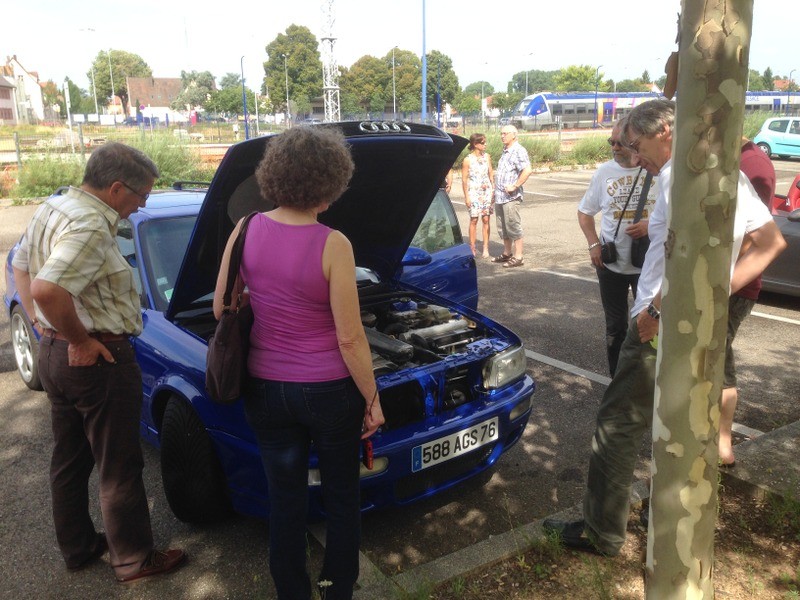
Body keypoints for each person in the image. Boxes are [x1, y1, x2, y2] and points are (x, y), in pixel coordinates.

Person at [543, 99, 786, 556]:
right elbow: (770, 243)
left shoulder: (678, 176)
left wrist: (658, 311)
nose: (636, 158)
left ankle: (602, 532)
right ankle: (670, 517)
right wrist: (710, 300)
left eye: (637, 146)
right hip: (690, 321)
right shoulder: (722, 171)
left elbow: (692, 258)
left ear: (666, 132)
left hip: (660, 321)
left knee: (617, 423)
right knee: (682, 424)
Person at [213, 126, 385, 600]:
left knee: (284, 501)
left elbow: (219, 309)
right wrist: (372, 398)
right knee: (341, 499)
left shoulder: (244, 229)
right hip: (329, 392)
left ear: (274, 175)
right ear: (330, 184)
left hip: (265, 389)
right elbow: (350, 338)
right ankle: (335, 591)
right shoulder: (334, 244)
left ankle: (292, 592)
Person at [11, 142, 186, 582]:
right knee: (119, 463)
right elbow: (50, 288)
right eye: (141, 194)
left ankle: (79, 547)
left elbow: (21, 264)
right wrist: (81, 340)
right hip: (96, 358)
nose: (142, 203)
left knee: (69, 459)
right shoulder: (91, 223)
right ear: (114, 187)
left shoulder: (56, 207)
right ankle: (133, 559)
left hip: (54, 354)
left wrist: (40, 325)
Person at [577, 118, 658, 375]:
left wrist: (649, 226)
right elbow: (584, 212)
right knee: (615, 328)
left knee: (648, 324)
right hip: (610, 264)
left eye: (619, 143)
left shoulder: (655, 171)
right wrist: (593, 244)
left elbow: (679, 214)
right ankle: (618, 379)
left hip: (648, 264)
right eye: (610, 142)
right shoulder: (604, 173)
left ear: (635, 143)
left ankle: (647, 380)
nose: (614, 147)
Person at [718, 138, 777, 466]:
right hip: (730, 284)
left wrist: (722, 282)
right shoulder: (741, 159)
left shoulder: (752, 166)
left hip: (735, 288)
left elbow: (756, 235)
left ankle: (723, 444)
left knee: (720, 363)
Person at [491, 125, 532, 268]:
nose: (502, 136)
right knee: (502, 226)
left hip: (511, 197)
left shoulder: (518, 150)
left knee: (513, 225)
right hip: (500, 196)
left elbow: (527, 170)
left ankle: (518, 256)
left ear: (513, 135)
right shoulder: (506, 151)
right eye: (501, 133)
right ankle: (507, 253)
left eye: (505, 134)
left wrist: (514, 186)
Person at [461, 132, 495, 257]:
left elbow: (490, 173)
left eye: (485, 142)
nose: (485, 144)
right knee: (474, 219)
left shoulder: (487, 157)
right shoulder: (468, 160)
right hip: (474, 192)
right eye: (482, 142)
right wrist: (466, 197)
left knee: (486, 219)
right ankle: (472, 247)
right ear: (475, 144)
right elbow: (464, 180)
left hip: (486, 192)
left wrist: (493, 187)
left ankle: (486, 247)